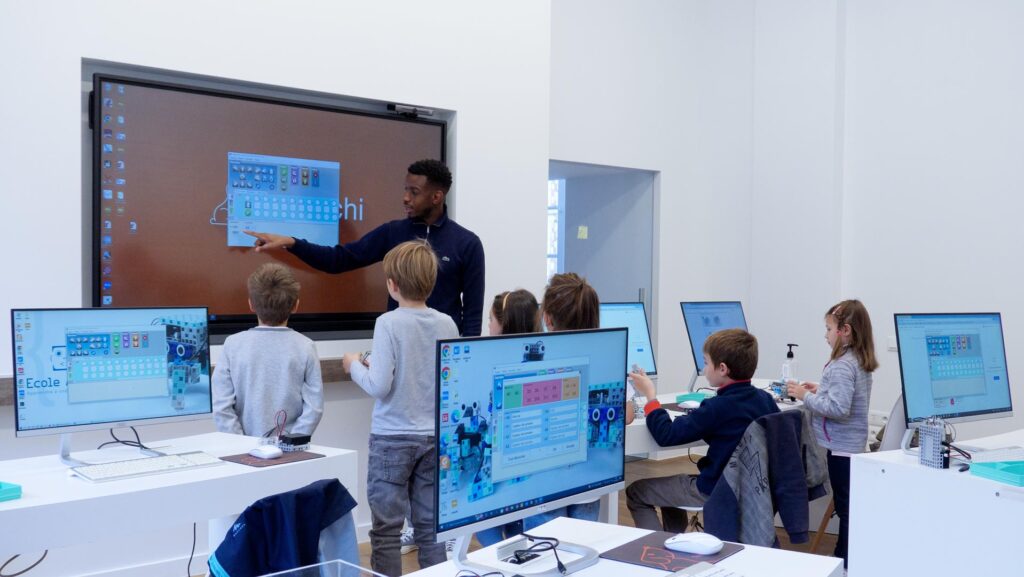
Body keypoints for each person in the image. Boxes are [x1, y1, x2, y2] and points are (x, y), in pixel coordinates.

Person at [245, 159, 485, 336]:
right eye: (405, 190)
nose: (405, 198)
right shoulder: (393, 232)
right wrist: (292, 243)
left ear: (436, 197)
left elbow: (473, 318)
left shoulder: (467, 244)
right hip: (398, 350)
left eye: (414, 192)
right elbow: (338, 260)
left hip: (444, 362)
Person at [341, 240, 458, 577]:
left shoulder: (388, 323)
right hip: (433, 439)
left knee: (387, 531)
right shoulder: (447, 324)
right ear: (432, 282)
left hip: (392, 440)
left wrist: (353, 366)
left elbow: (379, 385)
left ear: (392, 285)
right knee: (430, 527)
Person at [626, 328, 779, 532]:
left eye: (706, 363)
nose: (705, 369)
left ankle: (655, 548)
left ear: (722, 368)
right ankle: (675, 543)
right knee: (670, 489)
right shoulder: (765, 399)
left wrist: (651, 398)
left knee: (636, 492)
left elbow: (666, 435)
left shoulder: (716, 407)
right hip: (752, 488)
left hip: (714, 488)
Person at [786, 299, 876, 569]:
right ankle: (843, 556)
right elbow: (844, 396)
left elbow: (839, 408)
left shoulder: (841, 365)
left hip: (841, 449)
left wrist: (805, 397)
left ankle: (845, 560)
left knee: (846, 507)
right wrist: (819, 389)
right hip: (852, 444)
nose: (825, 335)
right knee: (847, 505)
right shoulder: (858, 360)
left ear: (844, 330)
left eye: (828, 329)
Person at [212, 263, 323, 438]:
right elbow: (314, 408)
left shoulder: (232, 345)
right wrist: (291, 444)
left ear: (251, 305)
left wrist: (240, 445)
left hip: (243, 454)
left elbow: (221, 407)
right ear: (296, 305)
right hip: (291, 453)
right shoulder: (306, 346)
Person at [474, 289, 541, 547]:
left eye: (490, 320)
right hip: (527, 471)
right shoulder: (538, 363)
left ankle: (504, 557)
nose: (488, 326)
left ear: (504, 325)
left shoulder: (492, 368)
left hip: (506, 465)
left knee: (483, 520)